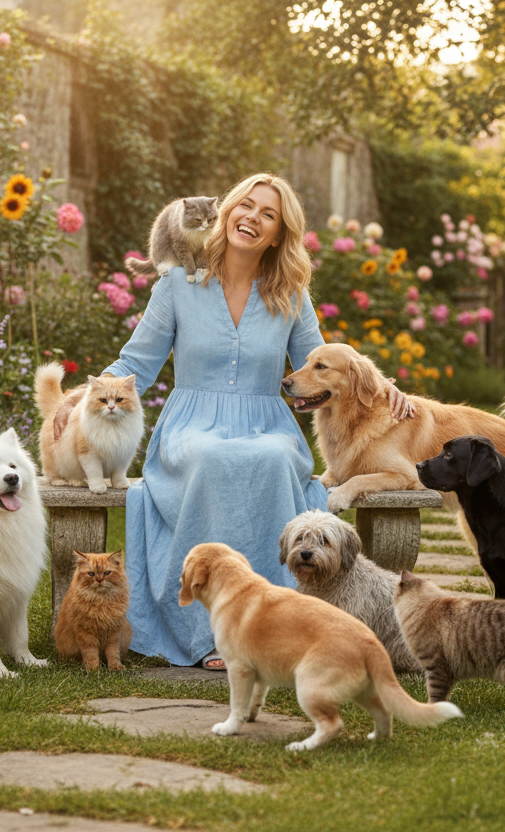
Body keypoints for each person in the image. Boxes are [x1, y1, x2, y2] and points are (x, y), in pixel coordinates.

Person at [59, 173, 411, 668]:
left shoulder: (290, 292)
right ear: (227, 212)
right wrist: (76, 399)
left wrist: (379, 384)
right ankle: (211, 633)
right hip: (191, 428)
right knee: (211, 457)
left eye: (268, 214)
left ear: (278, 234)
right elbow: (134, 363)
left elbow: (322, 364)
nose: (253, 218)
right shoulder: (178, 284)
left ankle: (271, 630)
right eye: (246, 205)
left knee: (268, 458)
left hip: (267, 426)